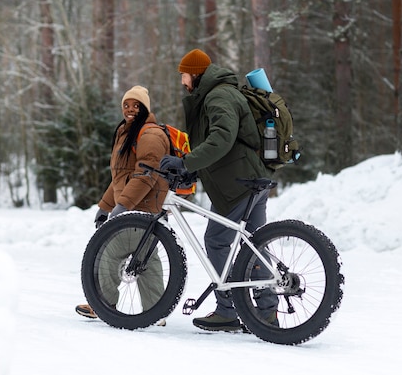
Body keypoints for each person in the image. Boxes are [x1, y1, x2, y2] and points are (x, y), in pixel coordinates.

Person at [159, 49, 278, 332]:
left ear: (196, 74)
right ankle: (267, 312)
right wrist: (193, 168)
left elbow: (222, 139)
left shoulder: (219, 96)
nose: (182, 81)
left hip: (239, 182)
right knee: (255, 243)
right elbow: (227, 142)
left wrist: (186, 162)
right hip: (252, 177)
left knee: (216, 239)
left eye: (184, 75)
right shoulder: (221, 92)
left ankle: (228, 309)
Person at [76, 85, 169, 326]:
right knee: (146, 260)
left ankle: (102, 304)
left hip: (141, 209)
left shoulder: (150, 135)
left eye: (136, 105)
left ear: (145, 108)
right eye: (126, 105)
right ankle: (156, 310)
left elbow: (145, 175)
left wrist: (123, 206)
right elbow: (121, 177)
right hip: (138, 209)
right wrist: (105, 206)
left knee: (109, 253)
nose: (130, 109)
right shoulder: (126, 133)